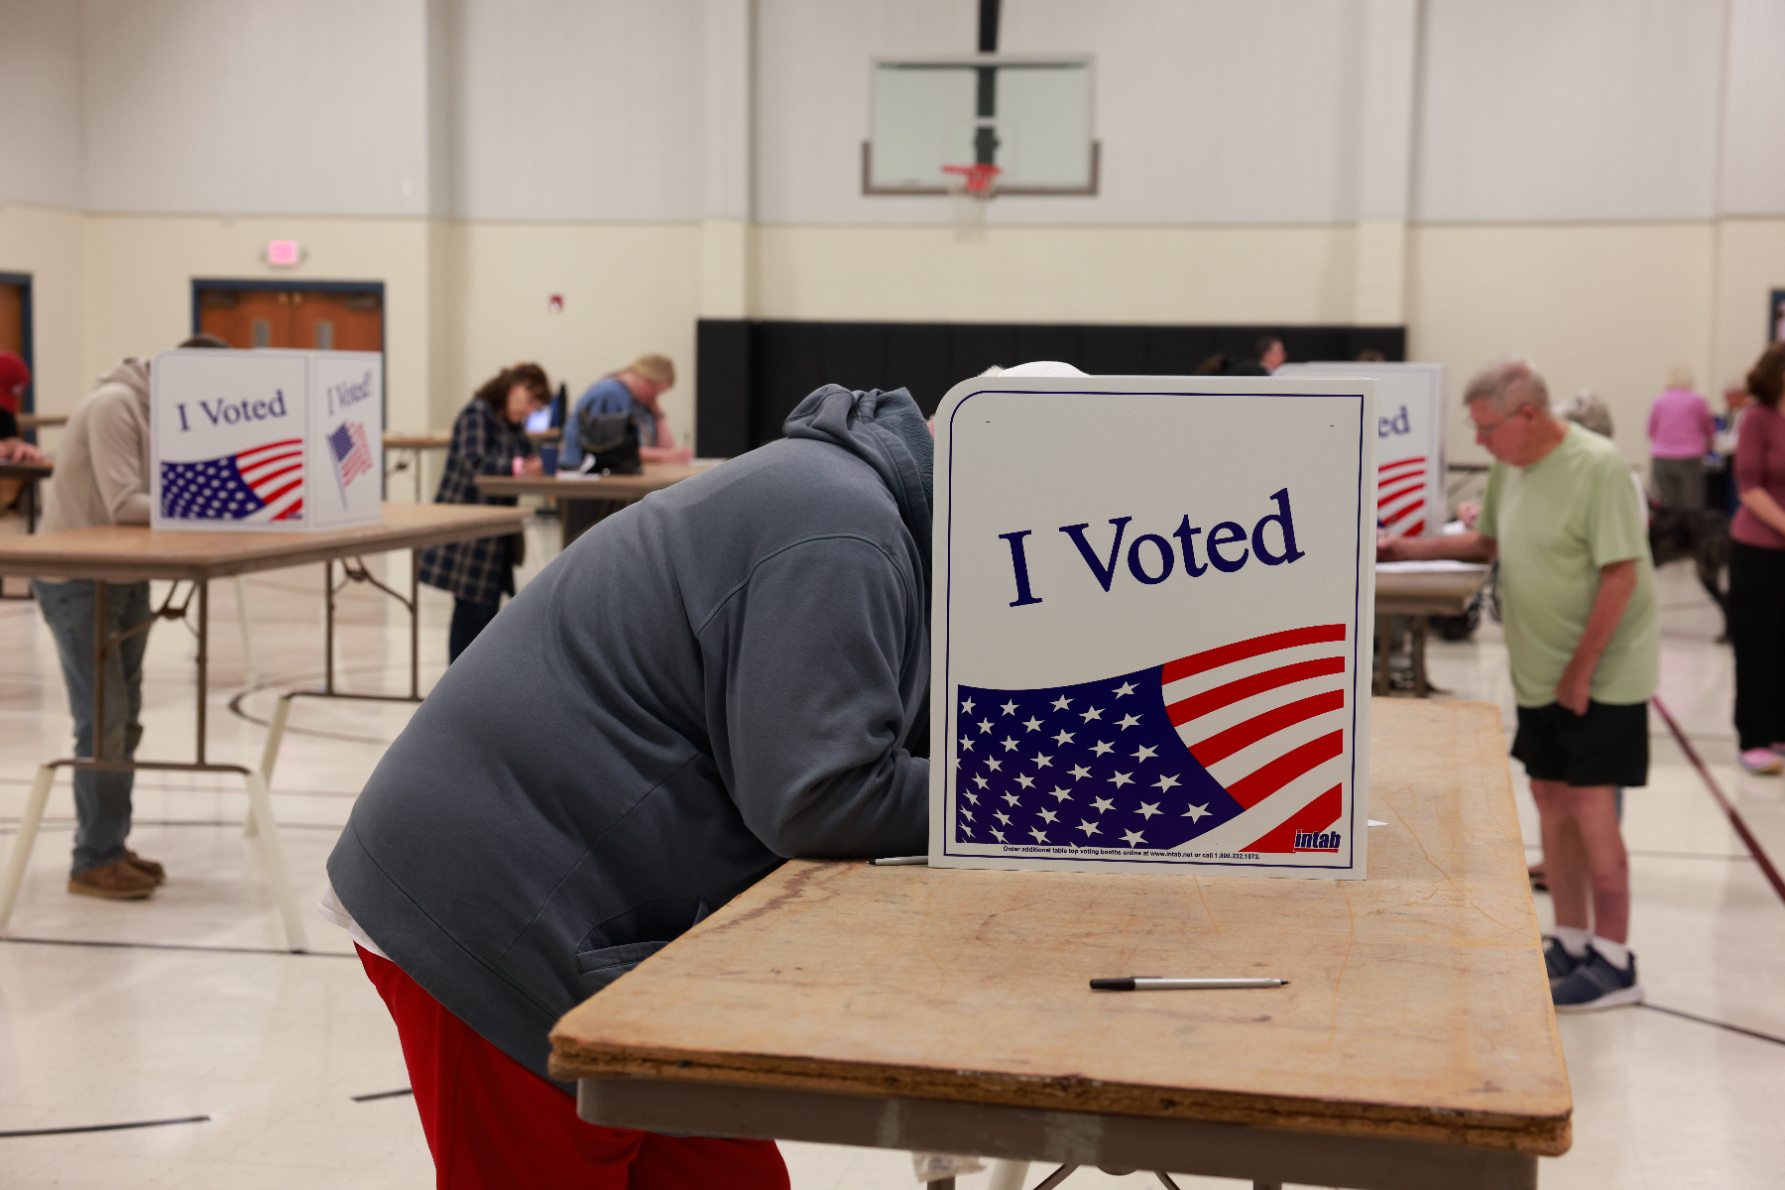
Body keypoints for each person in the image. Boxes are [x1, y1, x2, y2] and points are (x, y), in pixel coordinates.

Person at [322, 382, 932, 1187]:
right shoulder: (842, 528)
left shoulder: (856, 506)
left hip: (612, 923)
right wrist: (1024, 791)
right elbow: (821, 798)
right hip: (495, 913)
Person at [1379, 358, 1658, 1011]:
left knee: (1592, 810)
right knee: (1549, 799)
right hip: (1539, 672)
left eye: (1486, 428)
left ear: (1527, 415)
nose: (1478, 444)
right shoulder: (1510, 467)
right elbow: (1485, 545)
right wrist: (1402, 548)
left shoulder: (1599, 468)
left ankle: (1616, 963)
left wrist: (1580, 670)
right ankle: (1568, 938)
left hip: (1602, 671)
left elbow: (1621, 575)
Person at [30, 334, 230, 899]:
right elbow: (126, 504)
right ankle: (92, 860)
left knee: (126, 717)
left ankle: (109, 843)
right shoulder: (116, 407)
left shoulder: (167, 411)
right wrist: (226, 504)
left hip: (124, 576)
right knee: (104, 719)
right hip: (79, 581)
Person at [417, 363, 550, 662]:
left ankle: (470, 685)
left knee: (486, 609)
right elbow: (474, 461)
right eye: (529, 401)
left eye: (535, 407)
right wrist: (520, 467)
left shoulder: (511, 425)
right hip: (469, 527)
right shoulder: (477, 413)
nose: (528, 411)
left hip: (495, 531)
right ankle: (458, 690)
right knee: (472, 610)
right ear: (513, 386)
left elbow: (528, 455)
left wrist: (533, 463)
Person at [1726, 342, 1785, 775]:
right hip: (1759, 547)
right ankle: (1754, 737)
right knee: (1757, 645)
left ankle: (1780, 730)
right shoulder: (1757, 419)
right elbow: (1749, 486)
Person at [559, 354, 689, 471]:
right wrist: (665, 456)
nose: (655, 398)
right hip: (584, 475)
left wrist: (659, 415)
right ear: (645, 381)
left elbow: (666, 448)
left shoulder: (640, 401)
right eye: (656, 392)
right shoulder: (610, 394)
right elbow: (613, 449)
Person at [1647, 365, 1715, 511]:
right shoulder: (1697, 400)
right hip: (1690, 458)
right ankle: (1690, 534)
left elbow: (1651, 432)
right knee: (1691, 504)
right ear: (1690, 383)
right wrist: (1709, 444)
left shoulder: (1659, 401)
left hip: (1662, 458)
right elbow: (1709, 429)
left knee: (1667, 505)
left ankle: (1670, 533)